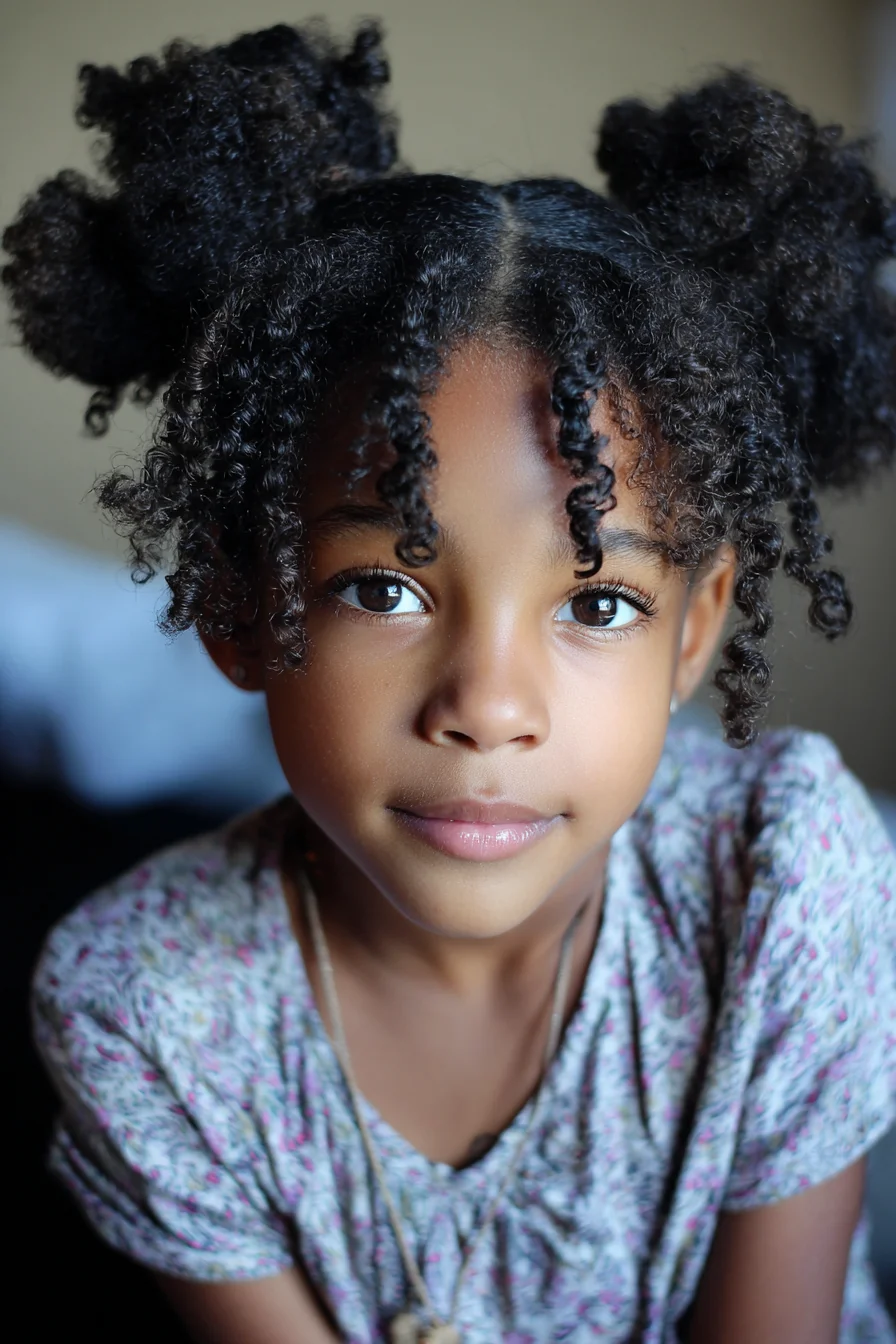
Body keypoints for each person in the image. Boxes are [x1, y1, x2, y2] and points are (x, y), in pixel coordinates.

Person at [4, 19, 895, 1344]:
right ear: (241, 605)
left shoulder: (782, 883)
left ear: (695, 632)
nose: (486, 702)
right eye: (387, 589)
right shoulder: (145, 1012)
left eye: (598, 604)